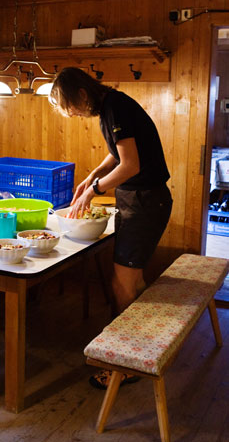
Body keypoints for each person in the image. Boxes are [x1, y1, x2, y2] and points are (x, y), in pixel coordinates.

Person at [49, 67, 173, 389]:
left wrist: (95, 190)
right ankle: (143, 350)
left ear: (81, 94)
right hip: (142, 200)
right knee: (132, 282)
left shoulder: (114, 107)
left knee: (122, 284)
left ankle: (125, 365)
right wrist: (91, 177)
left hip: (145, 202)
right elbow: (116, 154)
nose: (73, 114)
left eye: (71, 107)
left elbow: (131, 165)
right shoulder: (111, 105)